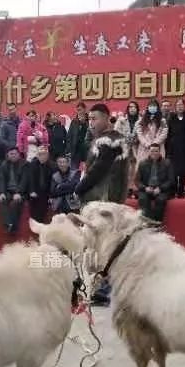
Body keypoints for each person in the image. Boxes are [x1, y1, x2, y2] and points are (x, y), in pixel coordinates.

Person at [75, 103, 125, 306]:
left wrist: (79, 187)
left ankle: (106, 291)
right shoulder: (104, 139)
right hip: (104, 201)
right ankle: (103, 289)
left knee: (105, 246)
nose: (91, 122)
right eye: (89, 119)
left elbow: (99, 169)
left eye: (95, 118)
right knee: (102, 246)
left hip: (106, 202)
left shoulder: (110, 140)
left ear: (106, 118)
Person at [136, 143, 173, 222]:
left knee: (160, 200)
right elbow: (137, 181)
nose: (154, 153)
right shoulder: (142, 163)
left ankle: (157, 223)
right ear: (149, 152)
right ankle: (148, 222)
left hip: (161, 189)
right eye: (152, 151)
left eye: (156, 151)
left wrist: (160, 188)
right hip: (147, 189)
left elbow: (171, 180)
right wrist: (145, 188)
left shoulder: (167, 163)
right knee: (143, 199)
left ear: (160, 152)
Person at [0, 147, 27, 234]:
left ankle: (13, 227)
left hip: (21, 192)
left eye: (15, 153)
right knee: (2, 200)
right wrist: (2, 193)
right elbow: (1, 180)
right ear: (8, 155)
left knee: (15, 203)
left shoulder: (24, 164)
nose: (13, 155)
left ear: (18, 154)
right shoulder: (4, 165)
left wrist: (19, 193)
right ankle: (8, 224)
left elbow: (24, 181)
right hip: (8, 191)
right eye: (11, 154)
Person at [166, 98, 185, 198]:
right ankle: (173, 190)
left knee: (183, 171)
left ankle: (181, 191)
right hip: (173, 147)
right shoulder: (171, 117)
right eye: (178, 105)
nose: (180, 107)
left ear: (184, 106)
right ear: (175, 107)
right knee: (173, 170)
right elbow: (168, 133)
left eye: (182, 105)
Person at [26, 144, 54, 223]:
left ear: (48, 155)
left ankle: (38, 223)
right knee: (33, 202)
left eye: (44, 154)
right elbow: (30, 179)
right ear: (37, 155)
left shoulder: (52, 165)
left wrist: (51, 195)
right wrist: (31, 191)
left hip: (47, 192)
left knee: (42, 204)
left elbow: (53, 183)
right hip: (34, 191)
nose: (42, 156)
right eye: (40, 154)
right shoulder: (32, 164)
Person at [66, 102, 91, 169]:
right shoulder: (74, 121)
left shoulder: (90, 120)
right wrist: (68, 150)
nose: (79, 112)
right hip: (76, 149)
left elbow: (92, 132)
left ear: (85, 109)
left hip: (87, 149)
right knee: (73, 171)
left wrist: (84, 124)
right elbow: (69, 136)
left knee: (88, 170)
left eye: (80, 110)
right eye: (77, 110)